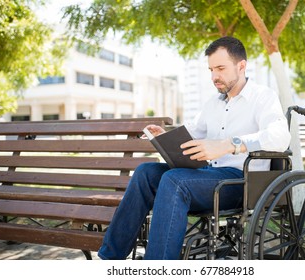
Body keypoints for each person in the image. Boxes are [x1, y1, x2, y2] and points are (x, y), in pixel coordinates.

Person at [98, 36, 291, 260]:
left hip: (243, 183)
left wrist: (229, 145)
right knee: (145, 172)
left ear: (241, 66)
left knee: (175, 180)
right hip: (209, 176)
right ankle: (109, 258)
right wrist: (166, 136)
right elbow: (191, 132)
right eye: (210, 69)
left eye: (220, 68)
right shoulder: (213, 104)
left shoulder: (263, 97)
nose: (214, 76)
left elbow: (280, 136)